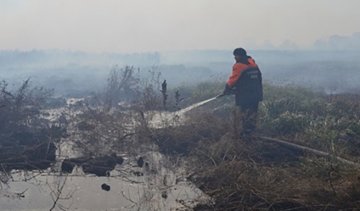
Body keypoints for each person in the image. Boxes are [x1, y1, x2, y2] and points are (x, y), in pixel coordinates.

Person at [223, 47, 263, 137]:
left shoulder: (239, 66)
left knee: (244, 114)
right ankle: (252, 132)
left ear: (239, 56)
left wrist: (226, 89)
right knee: (253, 113)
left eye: (235, 56)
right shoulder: (253, 64)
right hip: (256, 94)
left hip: (245, 96)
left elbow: (233, 80)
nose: (235, 58)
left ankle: (245, 134)